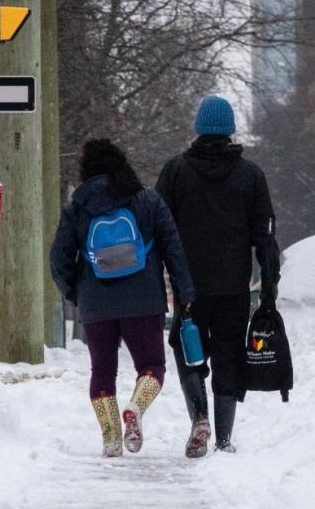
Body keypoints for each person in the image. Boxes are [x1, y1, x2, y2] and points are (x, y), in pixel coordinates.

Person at [51, 139, 195, 458]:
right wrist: (185, 293)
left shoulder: (76, 207)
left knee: (102, 371)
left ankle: (112, 439)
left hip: (95, 302)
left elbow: (59, 259)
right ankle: (135, 408)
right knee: (152, 365)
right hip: (144, 299)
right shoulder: (147, 200)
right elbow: (173, 248)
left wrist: (77, 293)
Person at [156, 95, 280, 457]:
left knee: (188, 351)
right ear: (230, 130)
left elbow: (158, 227)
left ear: (198, 128)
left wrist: (161, 275)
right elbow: (265, 238)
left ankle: (200, 420)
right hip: (233, 288)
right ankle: (224, 438)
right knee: (229, 355)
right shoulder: (251, 176)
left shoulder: (175, 171)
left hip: (188, 287)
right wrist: (269, 288)